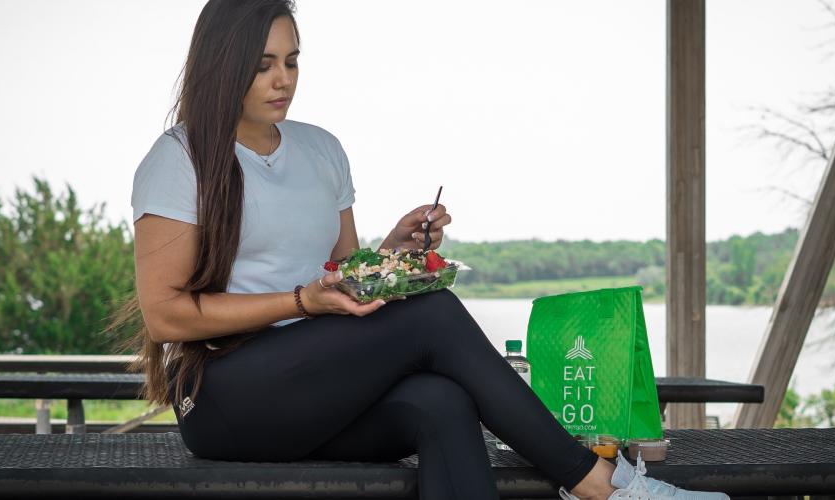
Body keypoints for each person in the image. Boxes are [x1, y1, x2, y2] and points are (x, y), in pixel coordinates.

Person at [121, 1, 730, 499]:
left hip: (319, 387)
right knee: (431, 314)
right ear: (223, 67)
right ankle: (597, 483)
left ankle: (599, 485)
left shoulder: (322, 150)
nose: (283, 80)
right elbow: (166, 314)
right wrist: (304, 301)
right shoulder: (179, 161)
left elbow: (345, 277)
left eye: (292, 61)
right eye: (263, 65)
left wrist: (395, 253)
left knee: (442, 401)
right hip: (228, 397)